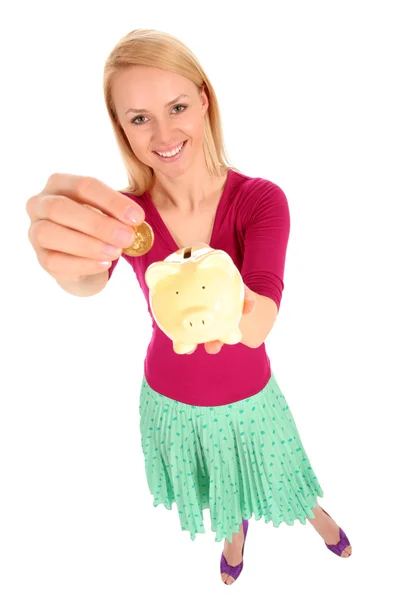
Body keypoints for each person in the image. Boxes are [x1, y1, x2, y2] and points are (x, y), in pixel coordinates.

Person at [26, 28, 352, 584]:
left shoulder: (259, 200)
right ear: (121, 129)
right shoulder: (125, 218)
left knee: (282, 474)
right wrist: (66, 268)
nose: (163, 132)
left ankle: (315, 515)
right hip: (168, 397)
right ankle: (234, 533)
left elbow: (264, 310)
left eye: (177, 106)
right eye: (139, 117)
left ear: (204, 100)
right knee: (218, 490)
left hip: (249, 395)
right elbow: (88, 282)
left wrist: (239, 313)